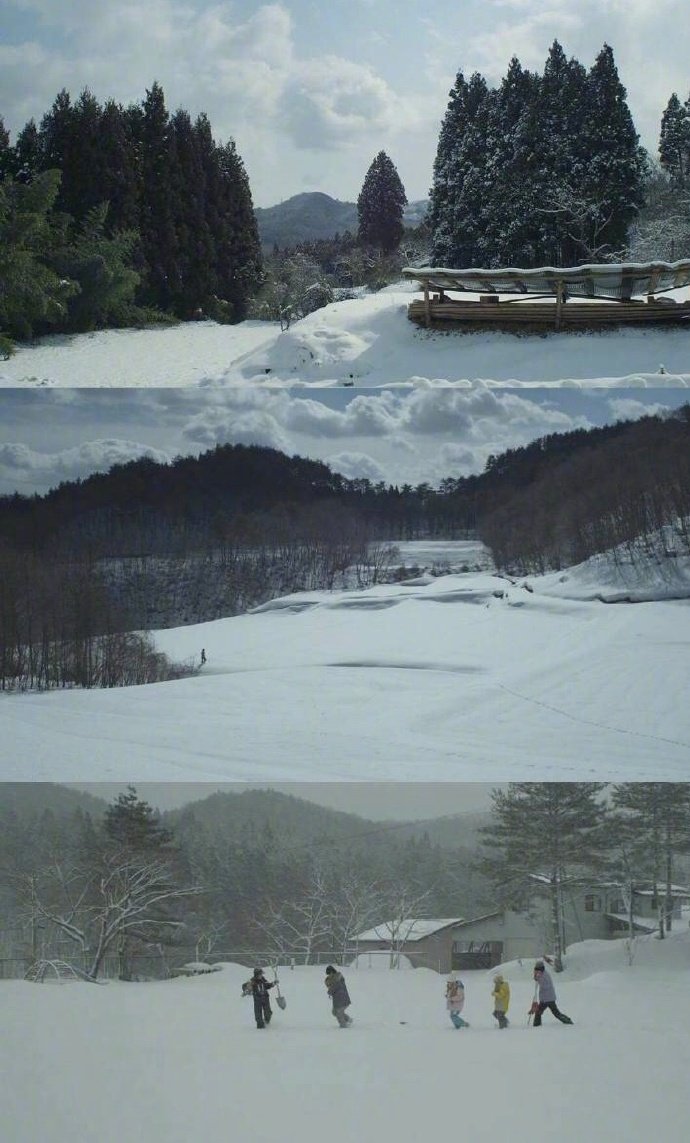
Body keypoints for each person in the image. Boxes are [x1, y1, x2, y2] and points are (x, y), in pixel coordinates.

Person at [531, 961, 573, 1026]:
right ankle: (567, 1020)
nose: (536, 971)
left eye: (537, 970)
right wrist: (537, 978)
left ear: (540, 969)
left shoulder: (545, 975)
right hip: (547, 998)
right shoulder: (542, 974)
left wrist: (538, 979)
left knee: (539, 1011)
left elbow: (545, 986)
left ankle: (536, 1025)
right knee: (555, 1013)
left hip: (547, 999)